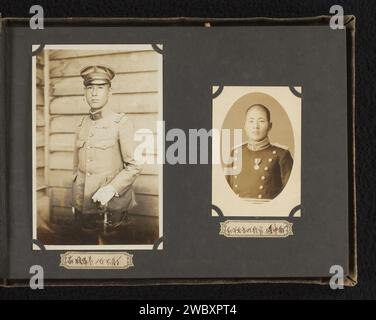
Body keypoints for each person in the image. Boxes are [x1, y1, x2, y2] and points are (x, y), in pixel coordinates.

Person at [71, 65, 141, 242]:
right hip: (82, 206)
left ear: (110, 92)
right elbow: (77, 166)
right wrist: (76, 199)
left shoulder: (120, 123)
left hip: (110, 209)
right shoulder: (82, 124)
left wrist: (111, 188)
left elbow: (134, 166)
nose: (94, 93)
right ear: (84, 92)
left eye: (100, 87)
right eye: (90, 87)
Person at [226, 104, 293, 200]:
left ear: (270, 126)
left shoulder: (282, 154)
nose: (255, 126)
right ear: (245, 126)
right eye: (251, 121)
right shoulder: (235, 152)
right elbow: (226, 192)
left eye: (261, 121)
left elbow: (290, 195)